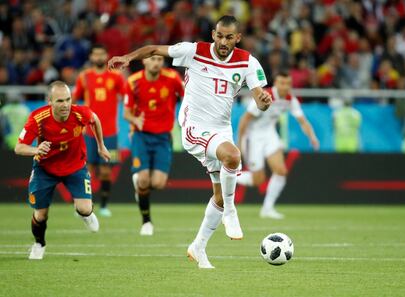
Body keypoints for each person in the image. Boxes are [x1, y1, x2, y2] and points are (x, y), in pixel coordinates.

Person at [109, 15, 272, 269]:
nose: (223, 42)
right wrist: (129, 57)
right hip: (194, 128)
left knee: (218, 195)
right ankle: (231, 210)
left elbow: (260, 99)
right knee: (232, 156)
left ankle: (198, 247)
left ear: (237, 38)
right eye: (219, 36)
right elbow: (154, 49)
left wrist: (262, 103)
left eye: (229, 37)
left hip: (221, 130)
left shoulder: (248, 62)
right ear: (213, 34)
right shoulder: (194, 52)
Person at [15, 81, 111, 260]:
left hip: (75, 166)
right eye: (60, 101)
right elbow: (19, 147)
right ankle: (39, 244)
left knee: (84, 208)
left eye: (68, 99)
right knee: (40, 214)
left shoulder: (80, 113)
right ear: (49, 101)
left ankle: (85, 214)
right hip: (45, 169)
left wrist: (101, 146)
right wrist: (36, 150)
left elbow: (95, 120)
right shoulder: (38, 118)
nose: (65, 105)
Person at [237, 71, 319, 219]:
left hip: (270, 134)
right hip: (253, 137)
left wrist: (312, 137)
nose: (285, 86)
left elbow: (302, 121)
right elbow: (244, 120)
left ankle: (267, 209)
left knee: (281, 171)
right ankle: (229, 175)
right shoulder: (263, 96)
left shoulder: (290, 99)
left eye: (288, 83)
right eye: (282, 83)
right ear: (275, 83)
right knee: (258, 180)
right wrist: (239, 143)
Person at [124, 55, 184, 236]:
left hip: (163, 137)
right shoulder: (133, 81)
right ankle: (146, 221)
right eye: (153, 59)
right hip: (141, 135)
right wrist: (135, 119)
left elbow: (187, 97)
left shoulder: (172, 78)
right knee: (143, 181)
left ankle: (141, 188)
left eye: (159, 59)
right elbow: (126, 113)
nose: (157, 62)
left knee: (157, 183)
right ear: (144, 61)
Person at [73, 44, 125, 217]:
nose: (99, 57)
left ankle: (103, 206)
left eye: (101, 53)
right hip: (88, 132)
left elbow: (127, 96)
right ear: (91, 57)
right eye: (96, 54)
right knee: (87, 169)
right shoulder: (84, 77)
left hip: (111, 132)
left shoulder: (116, 77)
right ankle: (84, 205)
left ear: (106, 56)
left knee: (105, 171)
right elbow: (73, 100)